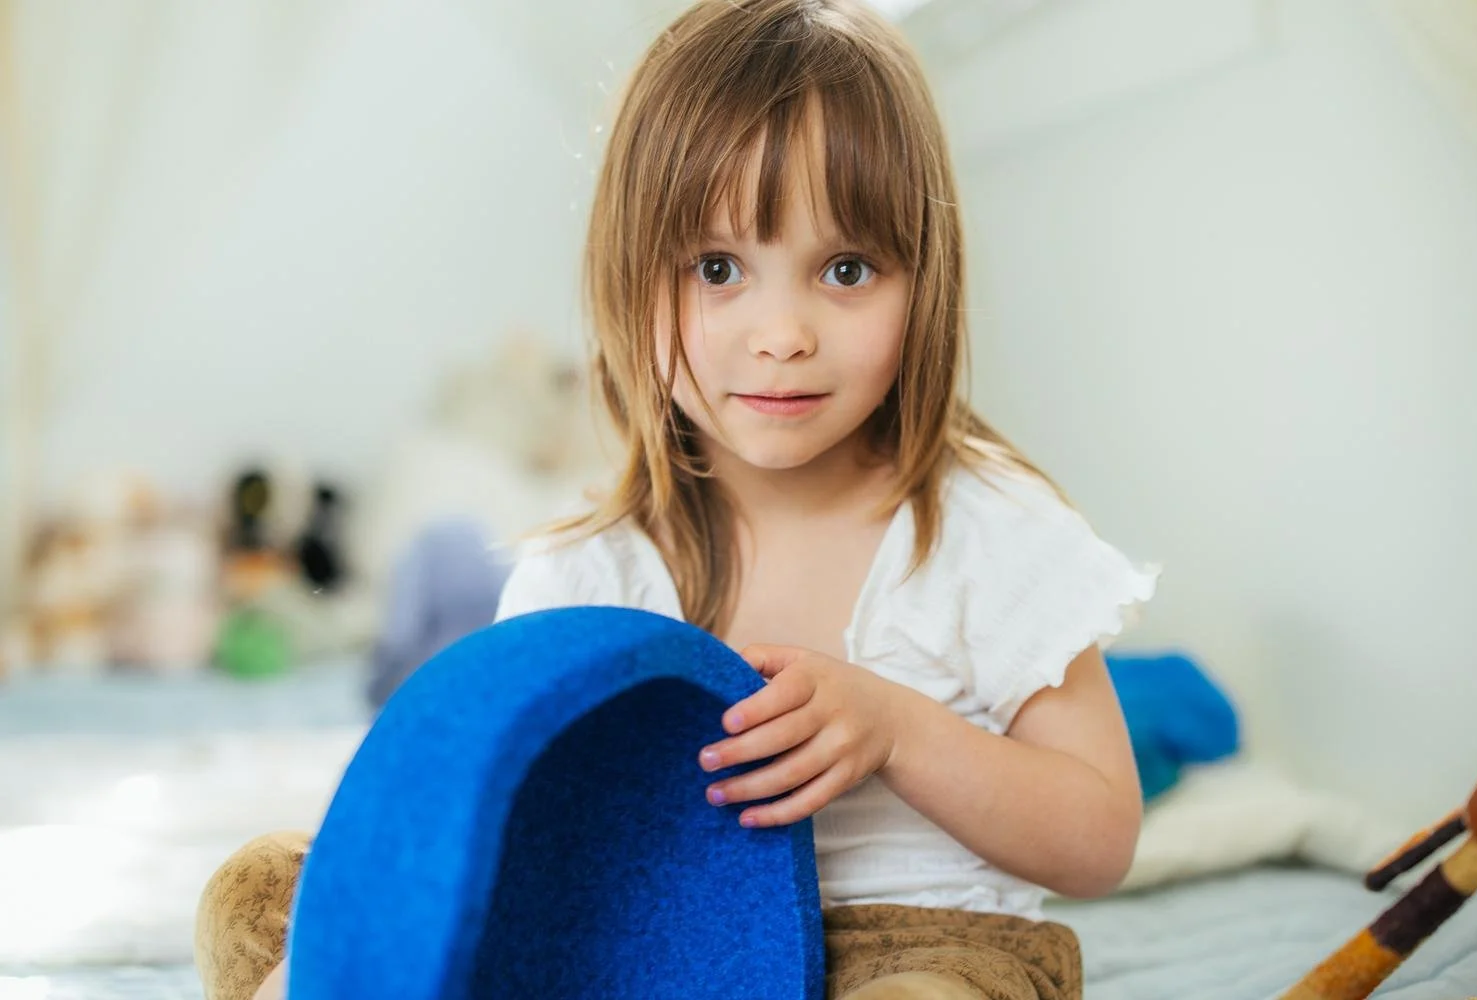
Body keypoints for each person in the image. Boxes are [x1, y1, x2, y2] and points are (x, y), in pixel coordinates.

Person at [194, 2, 1157, 998]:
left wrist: (900, 731)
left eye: (845, 268)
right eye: (716, 268)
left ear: (926, 283)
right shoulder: (585, 570)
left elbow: (1097, 838)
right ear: (630, 281)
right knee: (264, 891)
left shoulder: (984, 531)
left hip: (916, 947)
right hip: (648, 941)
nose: (780, 332)